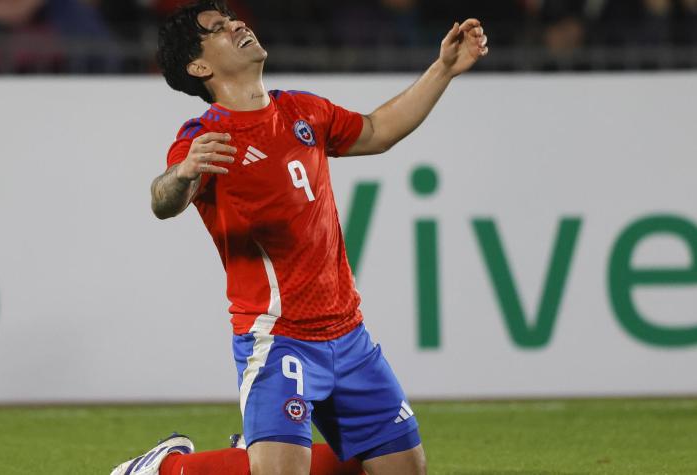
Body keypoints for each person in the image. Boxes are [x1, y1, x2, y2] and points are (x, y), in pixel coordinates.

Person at [111, 1, 487, 474]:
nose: (237, 25)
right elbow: (163, 200)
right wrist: (184, 172)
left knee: (404, 470)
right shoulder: (207, 135)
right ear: (199, 65)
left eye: (233, 19)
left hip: (349, 334)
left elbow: (377, 131)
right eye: (219, 29)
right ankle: (166, 468)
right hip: (279, 339)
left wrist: (444, 69)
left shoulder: (301, 110)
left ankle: (255, 447)